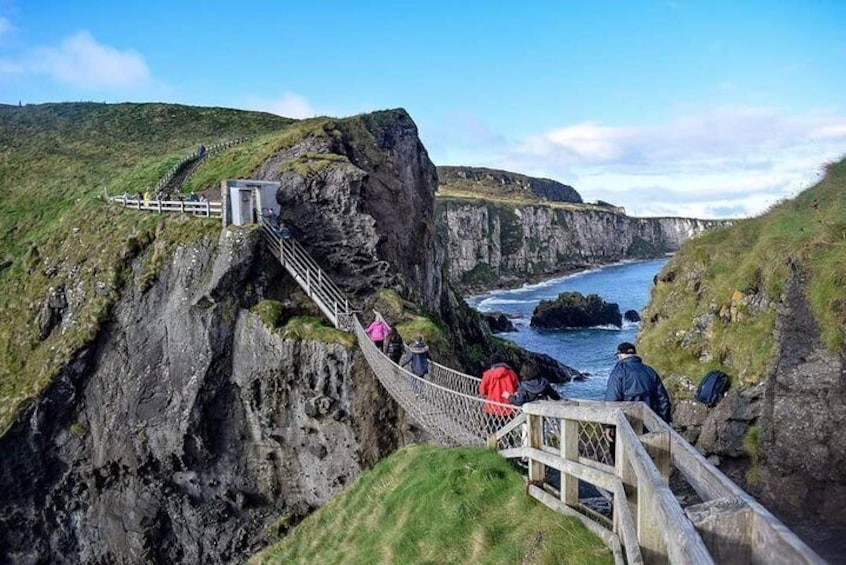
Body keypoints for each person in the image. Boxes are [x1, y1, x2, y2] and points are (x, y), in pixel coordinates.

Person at [479, 355, 519, 426]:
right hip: (507, 409)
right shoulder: (512, 374)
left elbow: (482, 391)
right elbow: (517, 389)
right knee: (507, 432)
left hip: (491, 408)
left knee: (492, 431)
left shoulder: (488, 374)